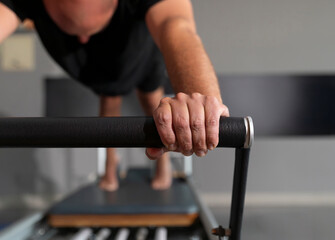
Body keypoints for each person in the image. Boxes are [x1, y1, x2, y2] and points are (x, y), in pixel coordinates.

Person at [0, 0, 229, 191]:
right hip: (88, 59)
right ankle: (110, 164)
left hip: (139, 47)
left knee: (153, 102)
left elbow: (177, 26)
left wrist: (199, 97)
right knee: (110, 100)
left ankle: (163, 165)